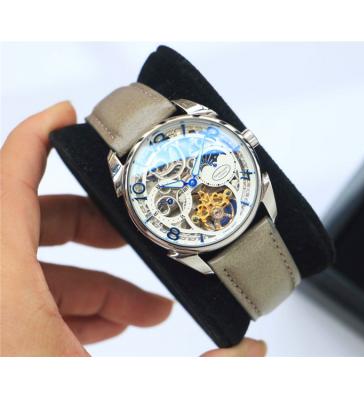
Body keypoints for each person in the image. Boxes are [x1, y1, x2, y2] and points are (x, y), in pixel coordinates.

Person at [0, 101, 267, 356]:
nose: (191, 182)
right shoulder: (128, 168)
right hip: (202, 230)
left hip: (231, 207)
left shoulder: (189, 116)